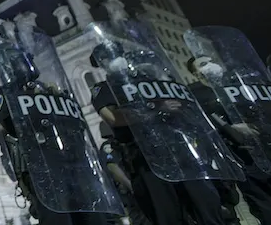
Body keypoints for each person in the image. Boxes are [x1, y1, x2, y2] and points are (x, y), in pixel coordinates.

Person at [90, 40, 232, 225]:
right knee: (167, 215)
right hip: (147, 159)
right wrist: (156, 109)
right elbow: (114, 118)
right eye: (106, 57)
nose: (113, 59)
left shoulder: (148, 79)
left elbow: (180, 105)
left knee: (207, 207)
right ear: (101, 63)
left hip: (181, 151)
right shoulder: (103, 88)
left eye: (116, 53)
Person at [0, 32, 120, 225]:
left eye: (22, 59)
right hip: (41, 169)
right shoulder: (3, 94)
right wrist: (21, 117)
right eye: (14, 61)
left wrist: (58, 98)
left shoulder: (48, 89)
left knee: (94, 219)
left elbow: (76, 123)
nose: (20, 65)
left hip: (75, 163)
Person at [186, 54, 270, 224]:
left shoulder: (236, 86)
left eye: (211, 61)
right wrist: (230, 129)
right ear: (196, 73)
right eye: (203, 64)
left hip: (264, 147)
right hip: (240, 157)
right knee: (262, 203)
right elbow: (199, 127)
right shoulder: (196, 94)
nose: (209, 65)